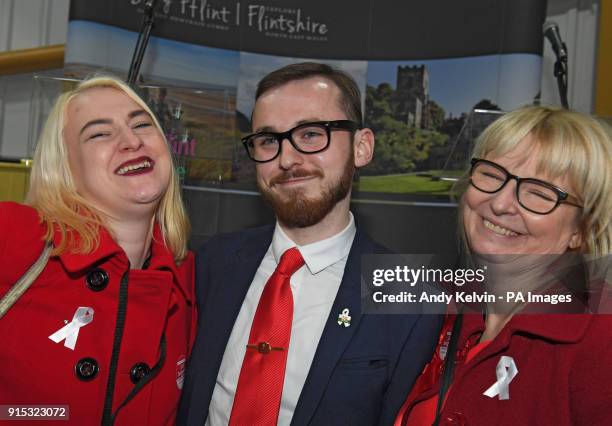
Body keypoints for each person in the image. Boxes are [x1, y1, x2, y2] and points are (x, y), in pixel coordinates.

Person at [178, 62, 441, 426]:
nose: (287, 159)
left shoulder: (408, 297)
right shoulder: (213, 263)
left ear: (362, 148)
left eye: (312, 134)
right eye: (269, 140)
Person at [394, 105, 612, 425]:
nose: (499, 203)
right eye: (492, 175)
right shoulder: (437, 304)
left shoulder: (601, 342)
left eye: (539, 193)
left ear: (581, 230)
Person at [0, 76, 196, 425]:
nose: (132, 140)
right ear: (66, 168)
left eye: (142, 125)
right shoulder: (15, 237)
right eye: (100, 133)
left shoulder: (193, 280)